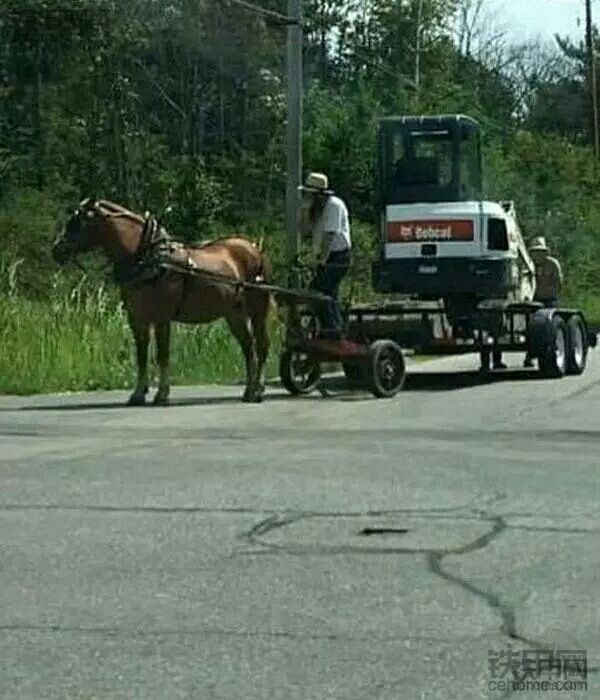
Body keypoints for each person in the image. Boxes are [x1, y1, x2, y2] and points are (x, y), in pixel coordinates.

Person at [299, 172, 352, 339]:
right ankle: (330, 330)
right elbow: (304, 230)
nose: (307, 196)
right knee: (329, 295)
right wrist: (305, 210)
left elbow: (329, 237)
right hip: (325, 257)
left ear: (319, 194)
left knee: (319, 291)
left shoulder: (334, 205)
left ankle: (333, 330)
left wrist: (321, 260)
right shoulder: (315, 208)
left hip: (338, 256)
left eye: (310, 194)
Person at [523, 236, 564, 367]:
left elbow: (559, 282)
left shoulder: (552, 264)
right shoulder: (529, 266)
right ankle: (529, 356)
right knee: (532, 328)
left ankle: (548, 354)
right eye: (535, 251)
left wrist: (554, 295)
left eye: (540, 251)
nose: (537, 254)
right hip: (534, 301)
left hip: (549, 301)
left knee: (548, 329)